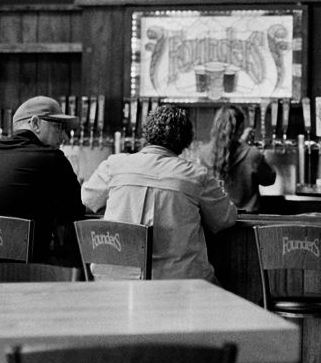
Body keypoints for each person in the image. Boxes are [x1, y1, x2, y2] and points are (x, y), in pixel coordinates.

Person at [82, 104, 237, 282]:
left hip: (114, 281)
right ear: (186, 141)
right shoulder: (195, 175)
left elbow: (87, 199)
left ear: (147, 134)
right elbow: (225, 219)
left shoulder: (114, 165)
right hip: (180, 284)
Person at [0, 95, 85, 267]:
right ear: (35, 123)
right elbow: (75, 215)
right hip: (24, 277)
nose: (64, 136)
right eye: (58, 126)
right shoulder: (52, 158)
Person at [198, 105, 276, 213]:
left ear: (217, 125)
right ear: (240, 128)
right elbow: (269, 179)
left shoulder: (203, 154)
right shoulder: (252, 154)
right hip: (248, 222)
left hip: (216, 221)